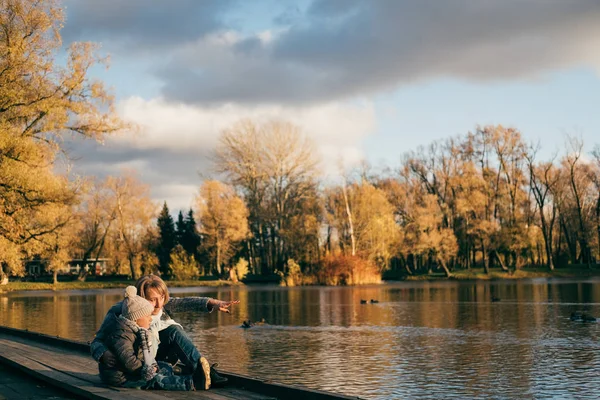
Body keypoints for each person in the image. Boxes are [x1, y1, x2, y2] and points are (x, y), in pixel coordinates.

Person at [91, 275, 239, 390]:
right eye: (152, 299)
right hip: (133, 361)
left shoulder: (163, 306)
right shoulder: (121, 311)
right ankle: (187, 380)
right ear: (140, 298)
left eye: (161, 298)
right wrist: (103, 353)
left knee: (173, 329)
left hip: (156, 357)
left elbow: (187, 302)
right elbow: (98, 340)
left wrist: (213, 303)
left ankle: (201, 369)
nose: (159, 304)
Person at [98, 286, 196, 390]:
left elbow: (147, 355)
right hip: (121, 376)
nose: (150, 319)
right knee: (157, 380)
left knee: (164, 366)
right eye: (147, 316)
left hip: (133, 370)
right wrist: (146, 370)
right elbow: (129, 361)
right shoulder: (121, 335)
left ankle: (186, 373)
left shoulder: (139, 330)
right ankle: (189, 383)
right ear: (136, 319)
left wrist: (153, 366)